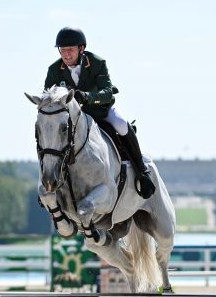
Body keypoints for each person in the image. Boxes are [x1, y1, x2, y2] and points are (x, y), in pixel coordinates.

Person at [43, 27, 156, 199]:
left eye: (70, 50)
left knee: (121, 124)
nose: (66, 55)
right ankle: (46, 182)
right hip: (73, 118)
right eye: (62, 50)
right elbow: (48, 96)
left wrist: (87, 97)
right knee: (49, 137)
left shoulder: (97, 63)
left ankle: (142, 171)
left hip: (100, 111)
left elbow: (107, 92)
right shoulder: (54, 70)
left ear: (81, 48)